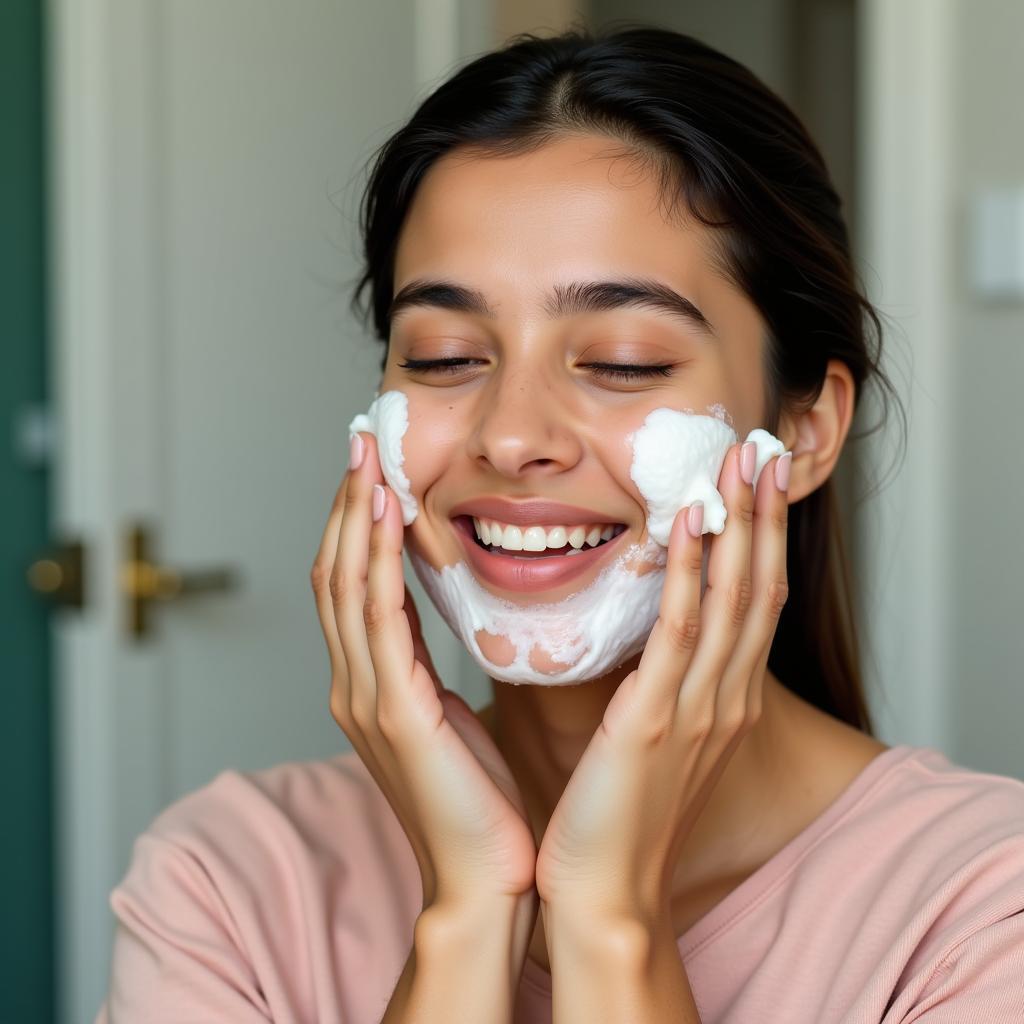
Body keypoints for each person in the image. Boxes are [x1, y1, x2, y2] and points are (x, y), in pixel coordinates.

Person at [95, 26, 1024, 1024]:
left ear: (802, 430)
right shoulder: (227, 880)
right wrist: (465, 914)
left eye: (623, 359)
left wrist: (608, 923)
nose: (510, 435)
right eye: (445, 355)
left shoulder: (979, 911)